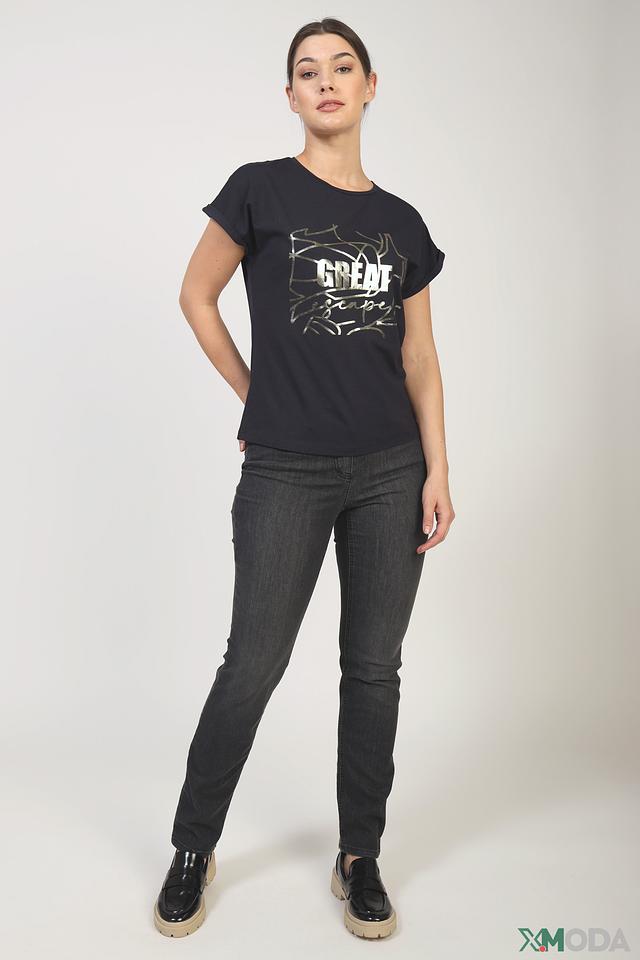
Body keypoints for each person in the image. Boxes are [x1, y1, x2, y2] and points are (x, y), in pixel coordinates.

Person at [153, 16, 455, 941]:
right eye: (308, 71)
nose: (326, 82)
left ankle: (359, 854)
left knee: (374, 669)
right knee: (253, 663)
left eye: (342, 67)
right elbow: (196, 296)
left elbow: (420, 357)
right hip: (286, 468)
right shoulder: (259, 189)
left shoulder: (402, 223)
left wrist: (438, 468)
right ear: (290, 96)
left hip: (391, 469)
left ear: (370, 86)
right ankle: (194, 847)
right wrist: (257, 394)